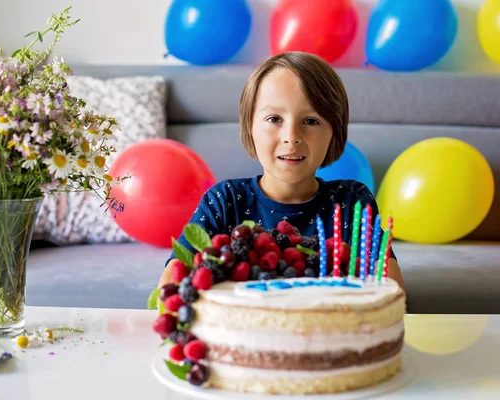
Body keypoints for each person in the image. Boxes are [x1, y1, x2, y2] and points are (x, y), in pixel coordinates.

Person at [158, 52, 404, 290]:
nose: (291, 137)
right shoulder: (225, 201)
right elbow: (172, 285)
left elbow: (389, 289)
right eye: (274, 119)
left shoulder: (351, 202)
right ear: (250, 126)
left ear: (334, 132)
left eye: (310, 121)